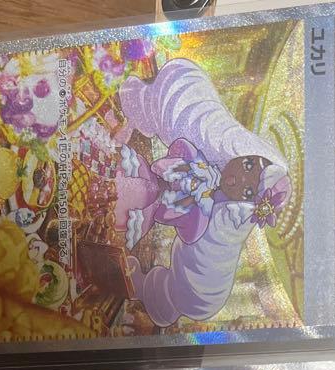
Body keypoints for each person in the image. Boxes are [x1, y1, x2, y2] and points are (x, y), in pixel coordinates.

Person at [113, 59, 292, 327]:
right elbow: (177, 154)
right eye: (248, 164)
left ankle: (147, 290)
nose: (238, 177)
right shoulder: (207, 158)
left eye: (247, 190)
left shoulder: (208, 218)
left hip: (145, 205)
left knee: (120, 207)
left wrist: (178, 190)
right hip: (144, 179)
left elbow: (178, 215)